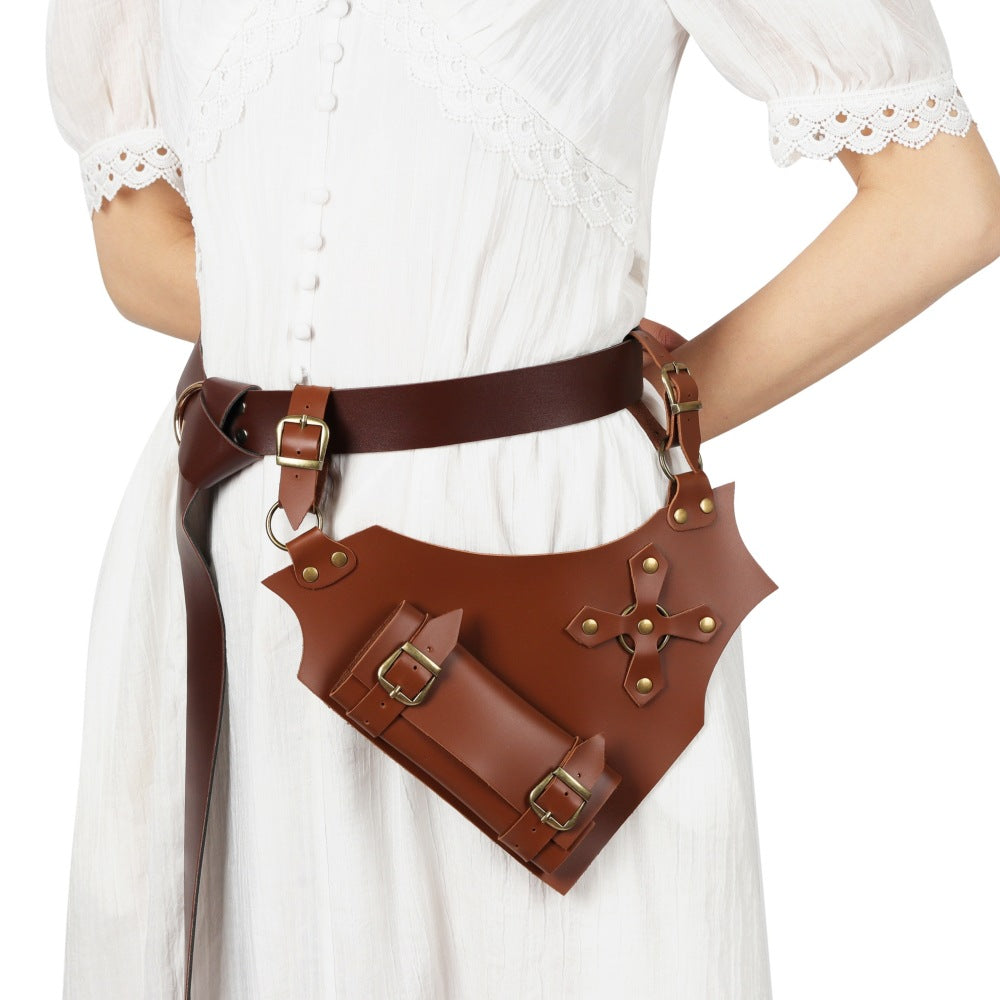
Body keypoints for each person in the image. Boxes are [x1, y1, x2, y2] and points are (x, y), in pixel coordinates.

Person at [46, 0, 1000, 997]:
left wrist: (631, 402)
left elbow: (940, 202)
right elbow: (137, 245)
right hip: (245, 557)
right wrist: (381, 356)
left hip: (535, 558)